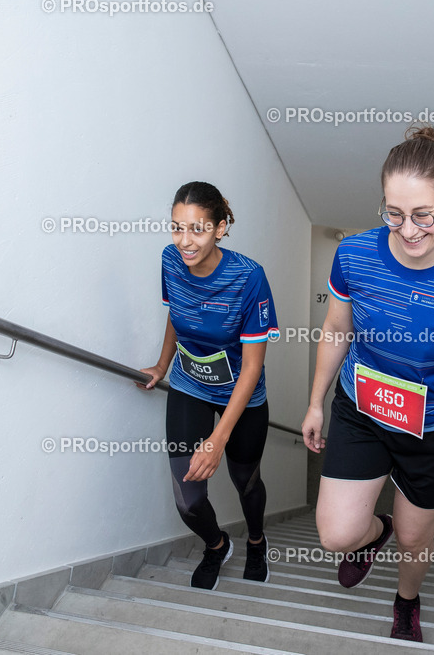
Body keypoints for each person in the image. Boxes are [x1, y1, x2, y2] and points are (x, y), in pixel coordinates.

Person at [301, 126, 434, 642]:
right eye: (393, 214)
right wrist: (315, 403)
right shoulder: (354, 255)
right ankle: (378, 532)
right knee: (337, 535)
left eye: (423, 215)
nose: (408, 230)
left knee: (417, 544)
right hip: (363, 410)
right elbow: (336, 330)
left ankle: (406, 602)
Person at [138, 181, 279, 591]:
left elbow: (252, 366)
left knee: (245, 482)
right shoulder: (170, 260)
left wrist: (218, 438)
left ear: (220, 228)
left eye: (197, 229)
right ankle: (217, 545)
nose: (185, 241)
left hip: (242, 395)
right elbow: (176, 314)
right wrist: (162, 365)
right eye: (177, 227)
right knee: (187, 498)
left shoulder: (249, 277)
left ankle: (256, 541)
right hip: (190, 383)